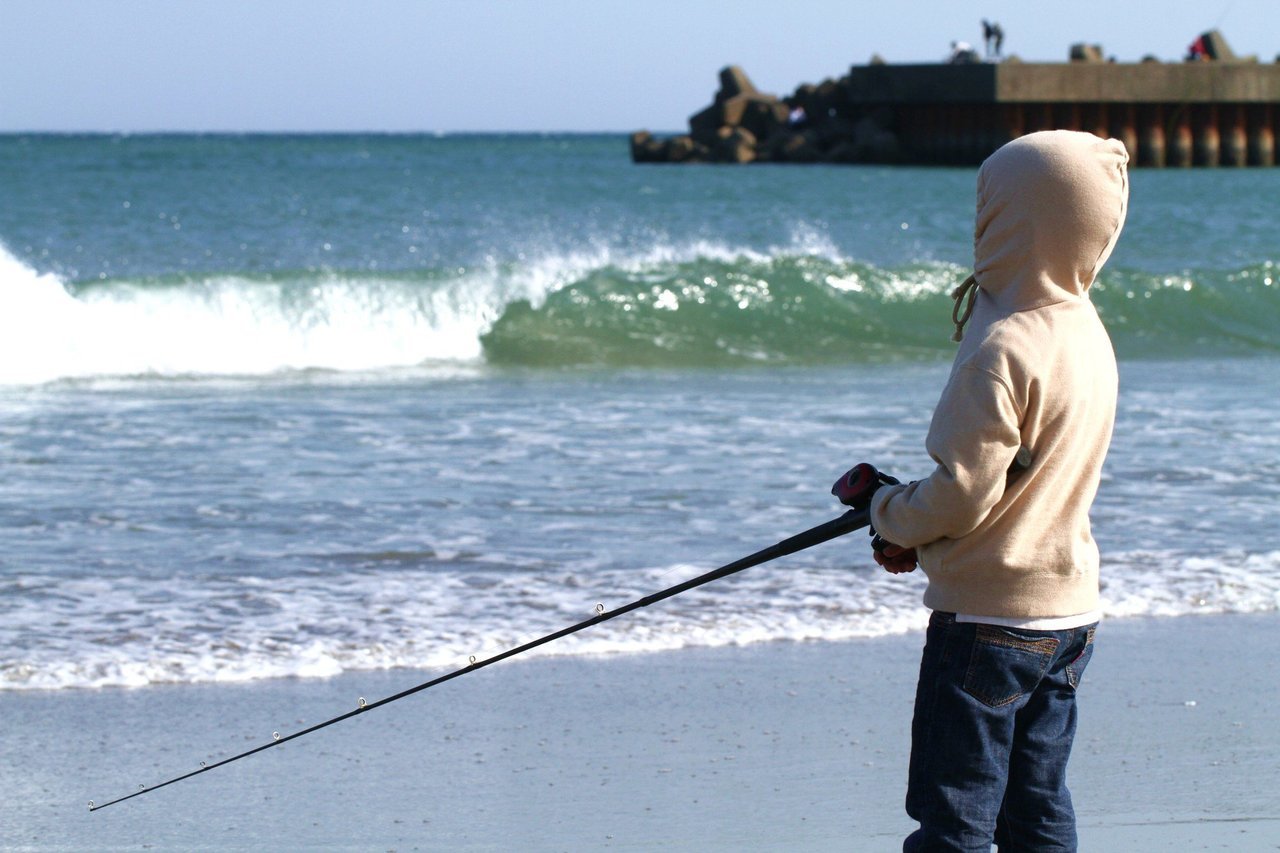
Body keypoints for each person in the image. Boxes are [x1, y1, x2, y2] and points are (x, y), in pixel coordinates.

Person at [864, 130, 1129, 851]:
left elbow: (961, 496)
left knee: (954, 816)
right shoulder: (1087, 331)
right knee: (1036, 807)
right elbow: (1024, 478)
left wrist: (888, 511)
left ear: (1007, 218)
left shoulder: (1002, 345)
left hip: (986, 620)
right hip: (1069, 616)